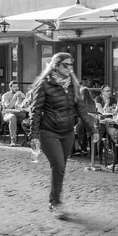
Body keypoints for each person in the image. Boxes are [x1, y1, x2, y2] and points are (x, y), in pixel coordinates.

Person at [30, 52, 98, 219]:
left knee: (60, 169)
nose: (69, 68)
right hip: (49, 131)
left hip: (67, 132)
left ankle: (54, 200)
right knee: (58, 166)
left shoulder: (73, 84)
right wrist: (34, 135)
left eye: (70, 65)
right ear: (55, 66)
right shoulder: (44, 85)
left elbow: (81, 109)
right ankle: (55, 203)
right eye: (65, 65)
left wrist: (93, 129)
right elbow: (36, 111)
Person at [1, 81, 27, 146]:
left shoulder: (21, 94)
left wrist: (24, 99)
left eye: (17, 86)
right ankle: (13, 141)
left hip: (19, 114)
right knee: (12, 117)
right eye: (14, 87)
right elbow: (9, 106)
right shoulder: (6, 95)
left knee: (32, 117)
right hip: (8, 114)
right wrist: (15, 96)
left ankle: (28, 140)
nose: (16, 88)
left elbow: (24, 106)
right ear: (10, 88)